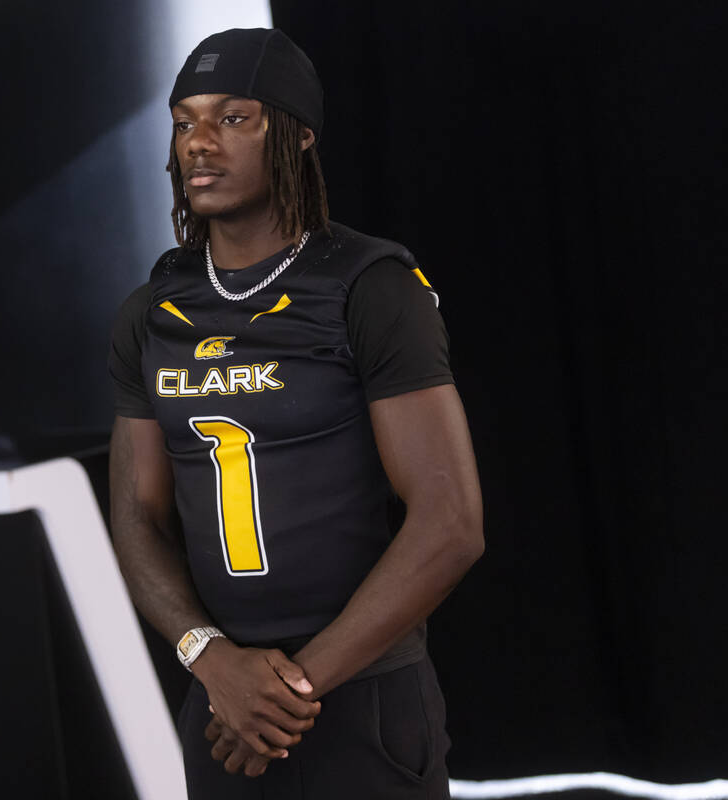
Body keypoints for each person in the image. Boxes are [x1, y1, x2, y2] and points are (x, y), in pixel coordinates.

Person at [107, 27, 483, 799]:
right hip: (221, 702)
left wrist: (289, 692)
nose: (200, 144)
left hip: (362, 698)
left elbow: (450, 522)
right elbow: (136, 518)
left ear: (299, 135)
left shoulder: (370, 287)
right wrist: (210, 658)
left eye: (234, 118)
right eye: (184, 122)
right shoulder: (153, 311)